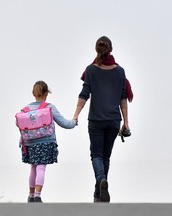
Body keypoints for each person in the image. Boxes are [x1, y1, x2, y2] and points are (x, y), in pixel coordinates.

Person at [73, 36, 130, 203]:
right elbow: (123, 99)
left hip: (96, 120)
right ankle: (99, 194)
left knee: (96, 155)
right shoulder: (120, 71)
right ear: (110, 49)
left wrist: (76, 115)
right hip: (114, 120)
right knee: (106, 156)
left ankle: (100, 181)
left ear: (96, 50)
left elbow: (84, 94)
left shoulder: (90, 70)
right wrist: (126, 122)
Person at [20, 80, 77, 203]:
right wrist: (74, 122)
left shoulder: (25, 110)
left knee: (33, 168)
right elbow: (65, 123)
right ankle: (37, 195)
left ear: (33, 93)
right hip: (45, 142)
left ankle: (30, 195)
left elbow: (18, 123)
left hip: (29, 143)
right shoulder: (49, 107)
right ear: (46, 93)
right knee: (41, 167)